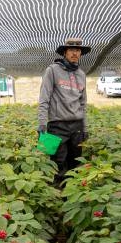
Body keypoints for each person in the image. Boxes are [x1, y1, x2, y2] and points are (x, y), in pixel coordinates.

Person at [38, 38, 89, 186]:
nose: (75, 53)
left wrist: (85, 127)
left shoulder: (81, 74)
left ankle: (70, 196)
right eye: (72, 50)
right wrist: (42, 123)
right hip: (56, 125)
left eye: (78, 50)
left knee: (75, 164)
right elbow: (44, 98)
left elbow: (83, 103)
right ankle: (56, 198)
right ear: (65, 52)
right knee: (56, 163)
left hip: (77, 126)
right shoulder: (52, 70)